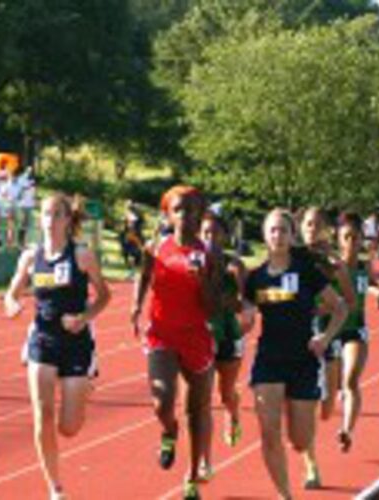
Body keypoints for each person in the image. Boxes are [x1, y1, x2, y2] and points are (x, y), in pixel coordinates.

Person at [4, 193, 111, 500]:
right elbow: (11, 293)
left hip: (76, 343)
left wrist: (84, 317)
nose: (50, 221)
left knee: (69, 428)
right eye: (46, 215)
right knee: (43, 415)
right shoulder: (29, 257)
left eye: (57, 215)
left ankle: (86, 383)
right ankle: (55, 487)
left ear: (67, 220)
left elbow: (104, 296)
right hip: (42, 340)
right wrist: (12, 304)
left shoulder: (82, 256)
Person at [242, 208, 348, 499]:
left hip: (303, 360)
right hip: (269, 361)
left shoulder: (306, 272)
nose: (277, 235)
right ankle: (285, 494)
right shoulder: (255, 278)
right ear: (265, 235)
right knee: (268, 433)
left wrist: (325, 338)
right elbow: (246, 318)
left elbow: (340, 307)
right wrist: (239, 322)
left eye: (283, 230)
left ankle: (303, 447)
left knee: (300, 441)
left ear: (292, 236)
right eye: (272, 230)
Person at [131, 185, 217, 500]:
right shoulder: (157, 246)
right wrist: (135, 306)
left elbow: (213, 307)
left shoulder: (209, 253)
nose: (184, 215)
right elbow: (143, 274)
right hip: (162, 333)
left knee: (197, 410)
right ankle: (169, 430)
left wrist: (202, 280)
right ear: (168, 213)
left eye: (190, 209)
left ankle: (192, 476)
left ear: (199, 214)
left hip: (196, 336)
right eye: (178, 209)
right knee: (161, 401)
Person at [297, 206, 356, 488]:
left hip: (327, 337)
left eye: (317, 224)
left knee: (326, 407)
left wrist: (322, 309)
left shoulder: (333, 261)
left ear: (326, 229)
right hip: (299, 338)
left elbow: (350, 300)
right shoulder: (293, 256)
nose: (311, 228)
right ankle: (311, 466)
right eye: (308, 223)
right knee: (306, 406)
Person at [328, 212, 379, 452]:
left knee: (351, 380)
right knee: (333, 388)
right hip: (331, 330)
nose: (352, 243)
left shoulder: (364, 266)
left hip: (355, 330)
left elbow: (370, 284)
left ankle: (346, 430)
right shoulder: (332, 267)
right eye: (347, 237)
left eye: (356, 237)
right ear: (339, 239)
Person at [198, 211, 247, 481]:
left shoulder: (234, 265)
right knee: (202, 402)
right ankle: (205, 462)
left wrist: (235, 288)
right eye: (205, 233)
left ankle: (233, 412)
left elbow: (244, 304)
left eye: (215, 233)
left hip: (228, 335)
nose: (210, 239)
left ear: (225, 236)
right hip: (202, 338)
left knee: (225, 394)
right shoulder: (194, 264)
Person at [119, 199, 145, 271]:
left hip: (134, 234)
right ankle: (129, 261)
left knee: (137, 248)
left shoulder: (137, 214)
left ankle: (136, 261)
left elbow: (136, 223)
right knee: (127, 248)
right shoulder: (127, 214)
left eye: (130, 205)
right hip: (128, 234)